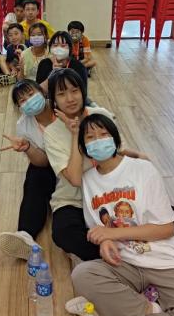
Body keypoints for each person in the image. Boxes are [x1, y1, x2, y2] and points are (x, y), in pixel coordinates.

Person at [63, 113, 174, 316]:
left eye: (103, 134)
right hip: (125, 264)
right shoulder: (89, 181)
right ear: (84, 148)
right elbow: (99, 227)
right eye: (90, 138)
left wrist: (112, 235)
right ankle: (152, 311)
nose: (98, 140)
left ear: (115, 138)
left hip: (164, 261)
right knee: (82, 274)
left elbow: (166, 229)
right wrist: (104, 242)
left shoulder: (142, 169)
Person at [41, 69, 149, 265]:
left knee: (143, 206)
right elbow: (74, 179)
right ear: (54, 100)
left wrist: (138, 156)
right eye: (62, 94)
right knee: (63, 233)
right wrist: (75, 134)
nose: (70, 98)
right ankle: (116, 254)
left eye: (74, 90)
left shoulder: (101, 115)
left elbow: (119, 150)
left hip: (110, 192)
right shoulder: (51, 133)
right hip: (74, 199)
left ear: (83, 91)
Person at [0, 79, 61, 259]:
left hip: (75, 167)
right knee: (34, 176)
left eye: (31, 94)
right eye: (22, 100)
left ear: (42, 92)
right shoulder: (23, 125)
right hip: (50, 169)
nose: (29, 101)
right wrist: (28, 148)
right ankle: (25, 234)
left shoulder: (61, 108)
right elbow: (42, 162)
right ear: (19, 107)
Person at [35, 31, 89, 100]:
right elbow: (39, 93)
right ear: (50, 48)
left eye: (63, 46)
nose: (58, 48)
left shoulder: (78, 66)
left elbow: (83, 93)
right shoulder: (44, 64)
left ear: (70, 48)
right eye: (55, 45)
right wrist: (53, 74)